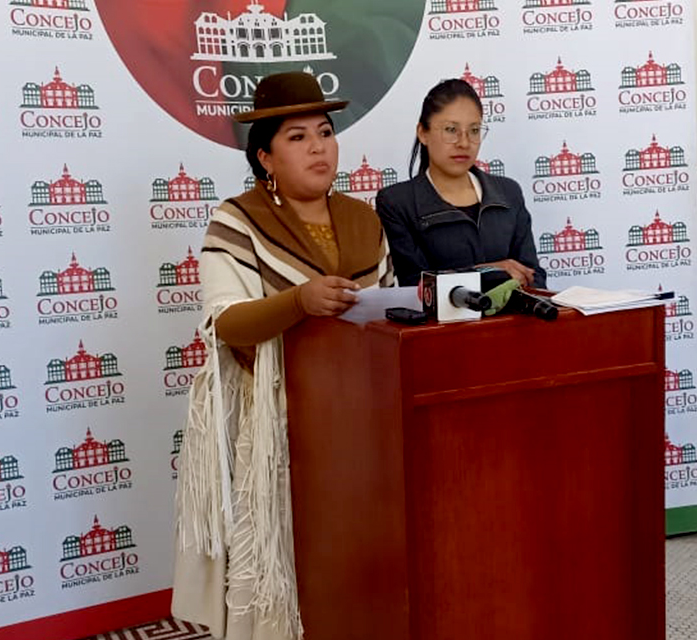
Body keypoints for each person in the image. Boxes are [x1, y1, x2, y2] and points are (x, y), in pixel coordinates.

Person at [171, 72, 393, 640]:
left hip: (362, 422)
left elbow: (389, 311)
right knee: (285, 558)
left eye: (325, 132)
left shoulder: (364, 219)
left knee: (360, 561)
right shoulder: (237, 219)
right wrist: (298, 301)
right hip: (276, 424)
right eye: (297, 138)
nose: (319, 146)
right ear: (265, 157)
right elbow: (225, 322)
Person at [376, 79, 547, 289]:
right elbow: (415, 286)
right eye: (450, 130)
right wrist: (489, 272)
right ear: (423, 133)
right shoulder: (397, 202)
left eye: (474, 131)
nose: (464, 143)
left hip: (511, 320)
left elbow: (534, 278)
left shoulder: (508, 192)